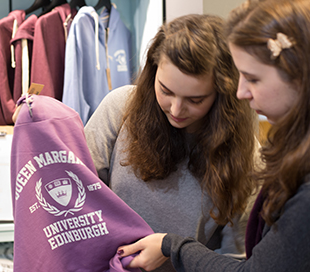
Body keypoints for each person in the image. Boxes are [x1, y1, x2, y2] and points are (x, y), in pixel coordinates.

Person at [117, 0, 310, 271]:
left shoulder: (281, 172)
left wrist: (172, 246)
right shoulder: (119, 109)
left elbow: (245, 262)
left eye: (252, 78)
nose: (241, 92)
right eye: (166, 91)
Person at [84, 13, 260, 272]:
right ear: (153, 71)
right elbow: (78, 195)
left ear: (222, 94)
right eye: (165, 91)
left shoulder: (245, 154)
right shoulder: (120, 108)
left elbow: (233, 260)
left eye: (195, 99)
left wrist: (174, 252)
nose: (176, 109)